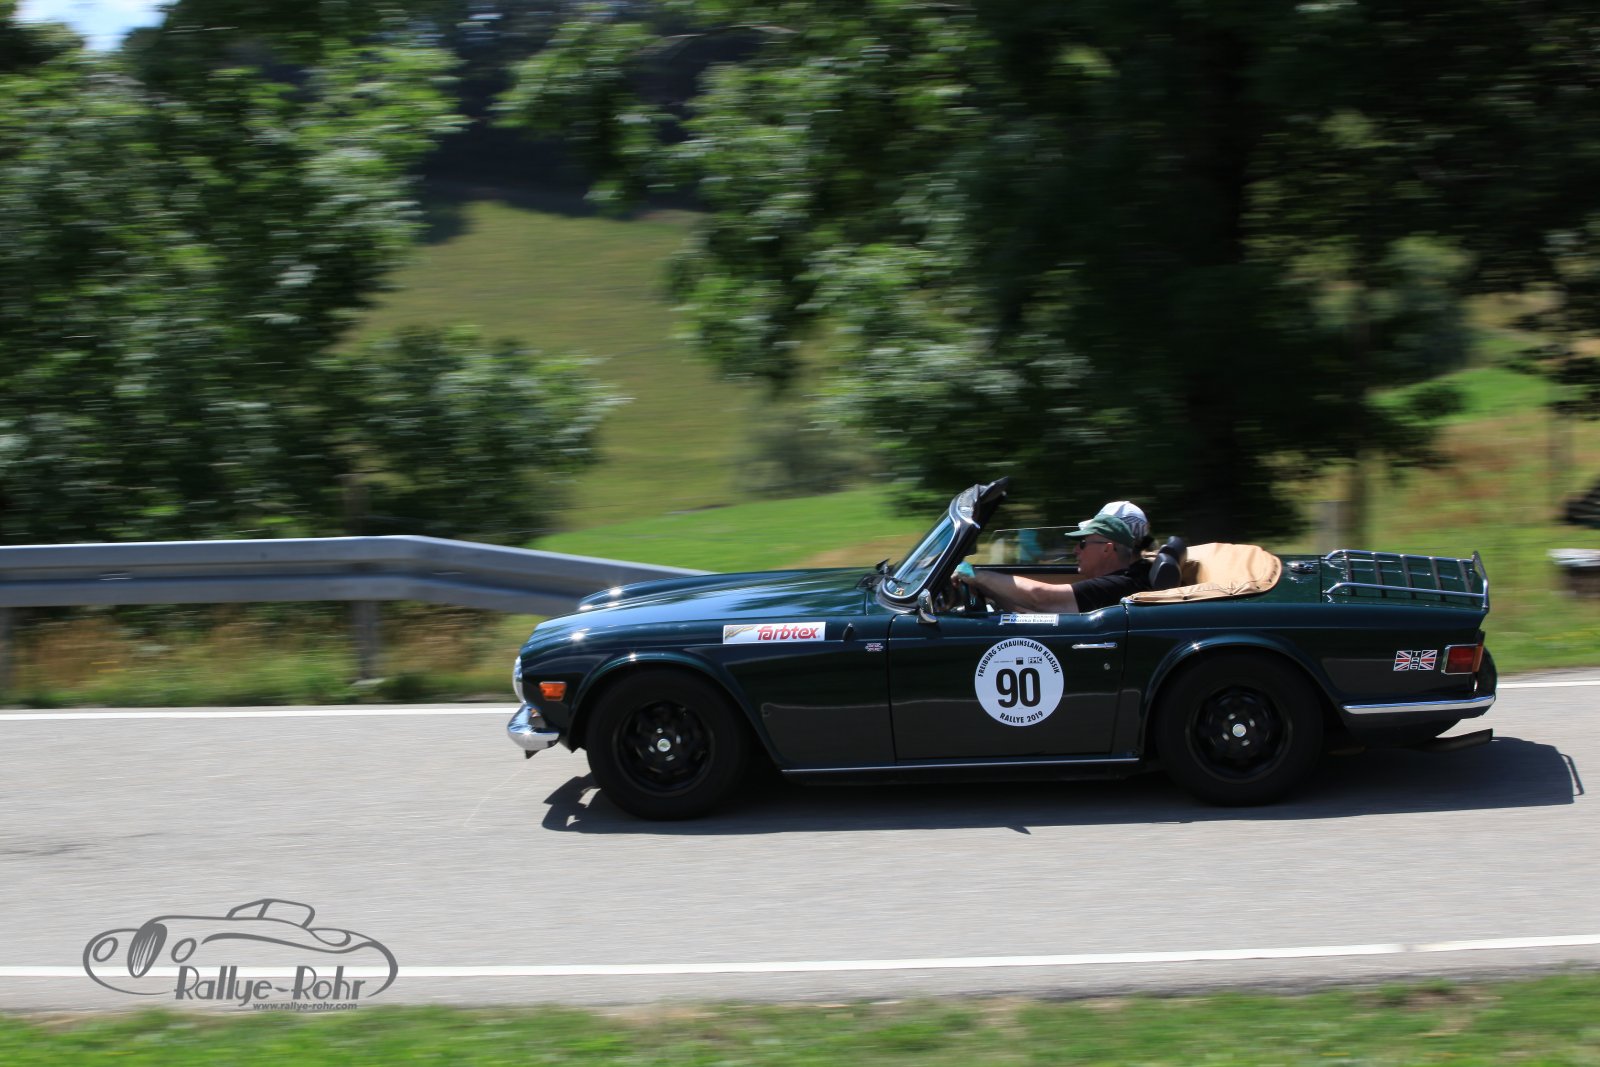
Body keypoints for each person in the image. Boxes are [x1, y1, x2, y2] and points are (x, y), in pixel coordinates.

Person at [954, 501, 1153, 614]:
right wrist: (989, 589)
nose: (1075, 550)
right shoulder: (1136, 575)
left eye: (1083, 542)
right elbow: (1036, 613)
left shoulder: (1122, 585)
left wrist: (973, 573)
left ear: (1108, 548)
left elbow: (1041, 598)